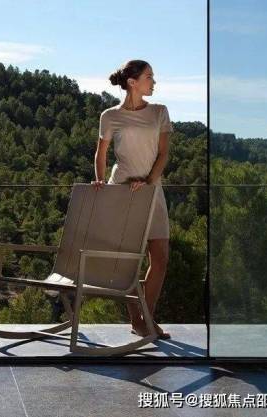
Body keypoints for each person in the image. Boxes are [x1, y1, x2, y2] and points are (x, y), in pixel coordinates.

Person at [92, 59, 173, 340]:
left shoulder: (160, 112)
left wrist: (148, 182)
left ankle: (147, 315)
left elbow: (163, 154)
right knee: (128, 261)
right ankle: (137, 321)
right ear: (132, 82)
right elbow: (101, 153)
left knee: (160, 257)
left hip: (151, 190)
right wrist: (100, 180)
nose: (154, 82)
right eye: (149, 77)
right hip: (122, 192)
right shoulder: (109, 116)